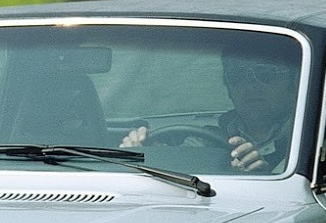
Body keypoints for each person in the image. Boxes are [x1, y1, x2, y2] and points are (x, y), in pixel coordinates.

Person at [123, 49, 301, 173]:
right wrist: (137, 155)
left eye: (265, 74)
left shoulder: (309, 139)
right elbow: (176, 171)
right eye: (237, 76)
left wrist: (264, 177)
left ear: (294, 83)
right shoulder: (205, 139)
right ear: (229, 89)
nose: (251, 86)